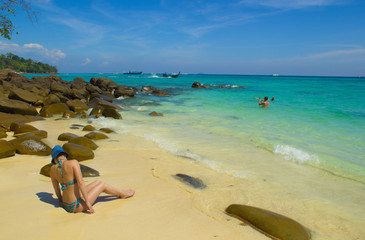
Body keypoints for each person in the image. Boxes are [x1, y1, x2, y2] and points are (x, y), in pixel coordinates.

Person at [50, 145, 135, 213]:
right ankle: (122, 194)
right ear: (64, 155)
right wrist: (87, 202)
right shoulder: (73, 163)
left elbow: (57, 190)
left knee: (98, 182)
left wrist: (61, 202)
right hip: (76, 206)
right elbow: (80, 182)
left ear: (54, 159)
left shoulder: (52, 169)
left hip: (67, 204)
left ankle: (120, 192)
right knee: (102, 185)